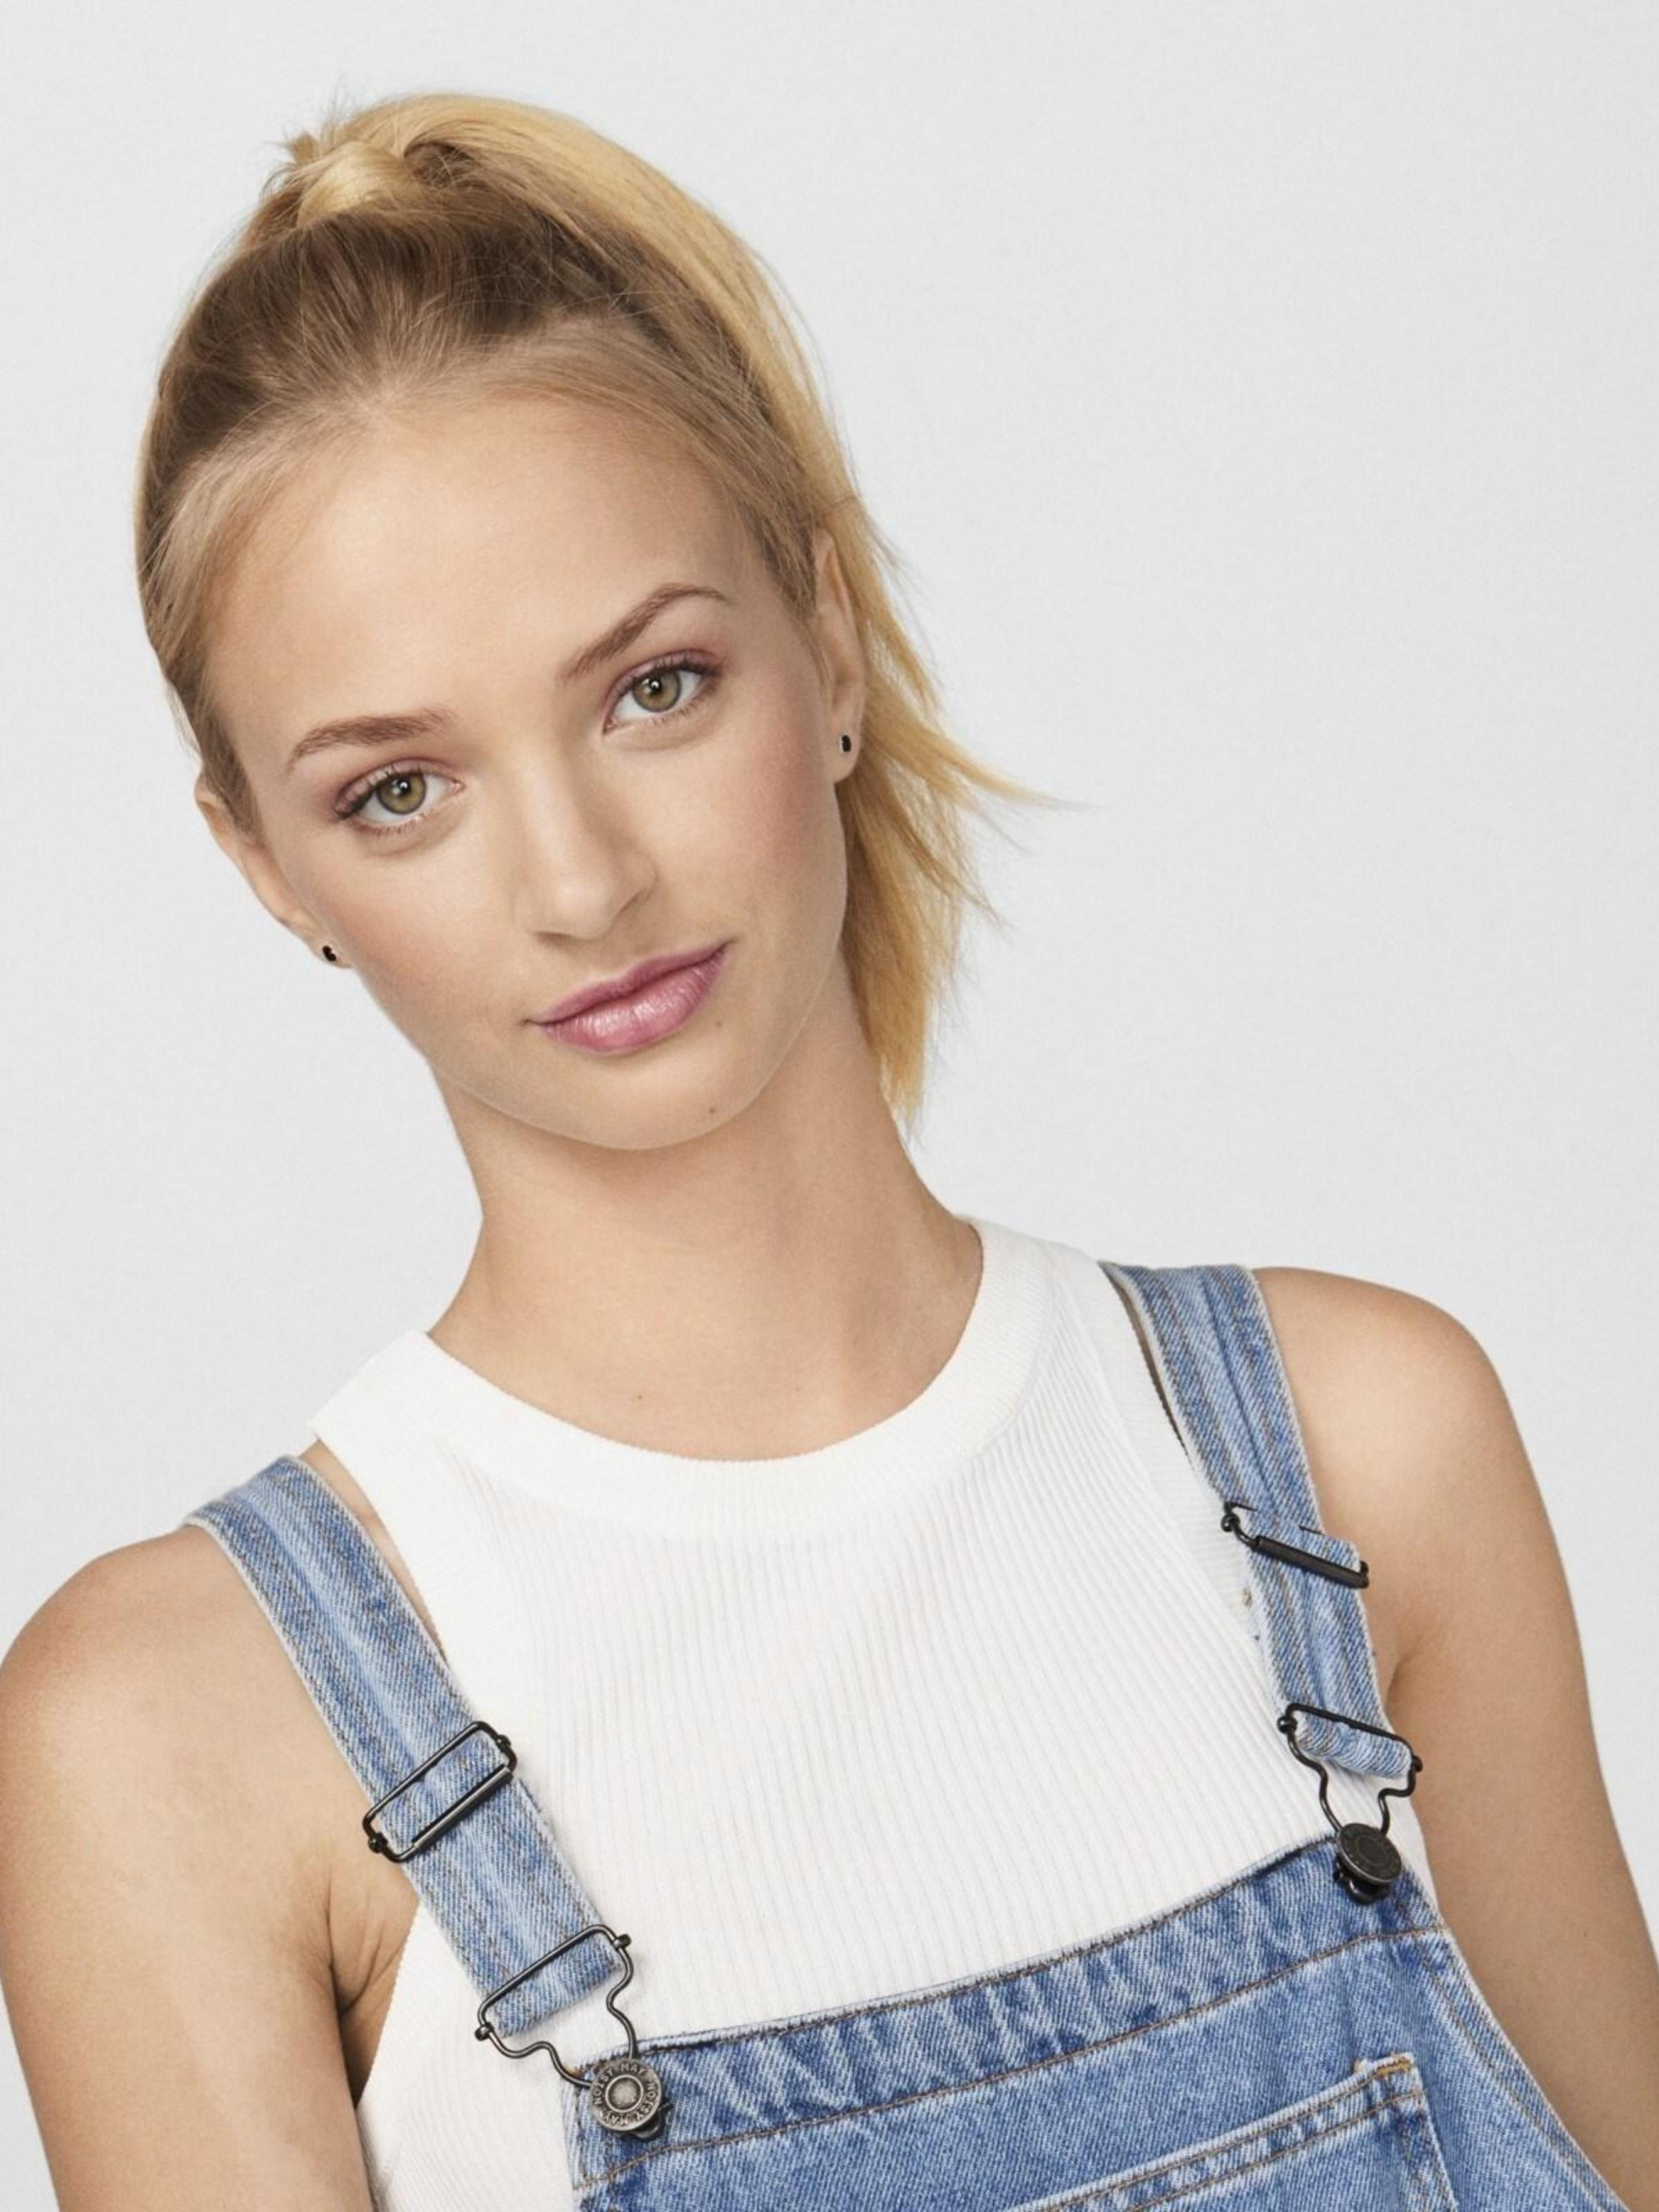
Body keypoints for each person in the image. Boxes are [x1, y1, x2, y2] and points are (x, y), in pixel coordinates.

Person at [1, 86, 1655, 2212]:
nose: (582, 880)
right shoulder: (174, 1738)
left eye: (655, 688)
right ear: (264, 865)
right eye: (398, 790)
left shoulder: (1357, 1465)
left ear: (833, 638)